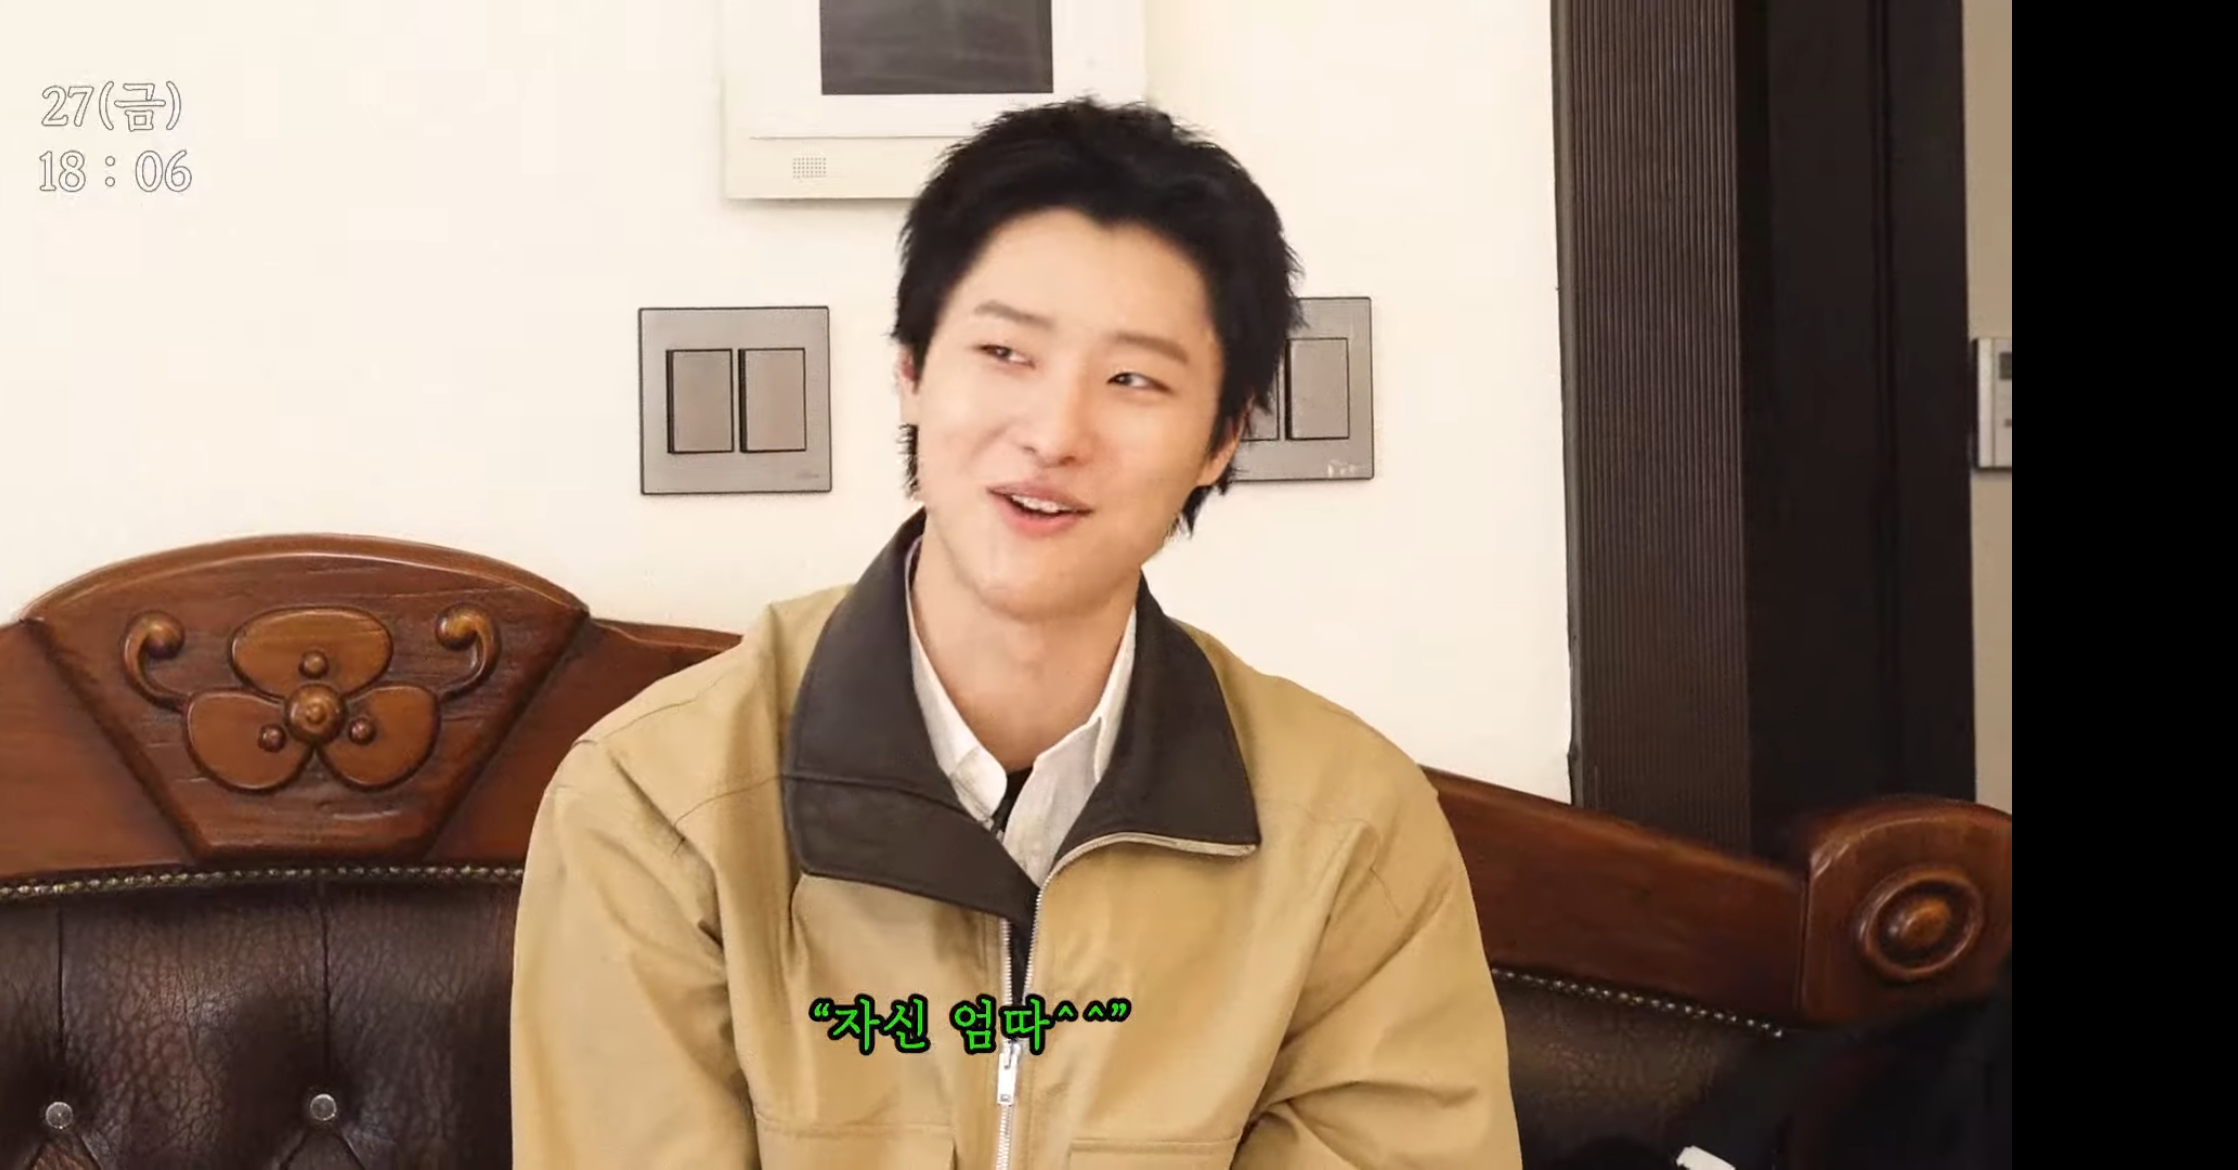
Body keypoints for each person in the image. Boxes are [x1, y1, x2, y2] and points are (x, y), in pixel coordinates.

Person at [510, 96, 1521, 1169]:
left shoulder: (1350, 832)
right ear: (911, 371)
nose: (1054, 432)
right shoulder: (658, 804)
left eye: (1134, 379)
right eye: (1005, 352)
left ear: (1221, 439)